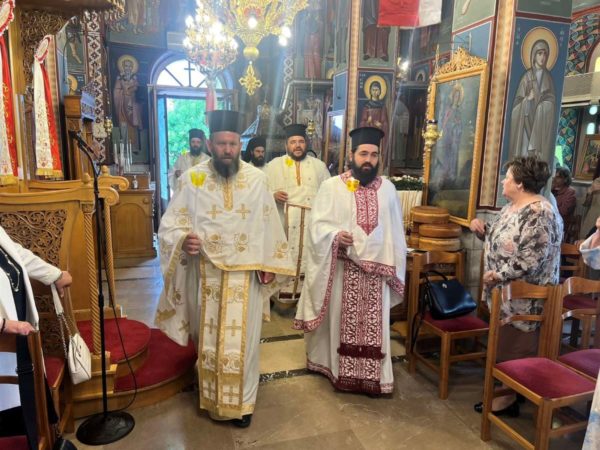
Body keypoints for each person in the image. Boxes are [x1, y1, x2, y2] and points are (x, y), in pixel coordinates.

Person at [155, 110, 294, 428]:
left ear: (239, 144)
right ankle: (211, 397)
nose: (228, 150)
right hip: (207, 275)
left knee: (245, 343)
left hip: (246, 277)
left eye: (233, 144)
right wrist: (183, 240)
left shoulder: (257, 180)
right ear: (210, 144)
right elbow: (170, 225)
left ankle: (243, 404)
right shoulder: (192, 179)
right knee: (208, 338)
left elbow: (269, 225)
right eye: (221, 144)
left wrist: (270, 264)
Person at [294, 127, 407, 395]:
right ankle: (337, 371)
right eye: (363, 154)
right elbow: (317, 226)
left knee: (374, 329)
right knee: (338, 324)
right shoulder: (332, 186)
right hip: (342, 270)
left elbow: (396, 232)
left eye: (374, 155)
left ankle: (374, 378)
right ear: (351, 155)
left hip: (377, 277)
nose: (368, 160)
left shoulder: (388, 189)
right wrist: (334, 236)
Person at [470, 156, 562, 416]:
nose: (503, 181)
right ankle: (508, 390)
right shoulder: (512, 207)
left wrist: (498, 275)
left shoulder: (540, 212)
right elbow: (505, 241)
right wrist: (482, 230)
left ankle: (508, 396)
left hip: (525, 296)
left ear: (520, 183)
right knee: (504, 343)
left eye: (508, 177)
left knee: (515, 346)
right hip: (505, 294)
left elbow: (531, 258)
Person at [0, 225, 72, 413]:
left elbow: (17, 254)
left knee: (27, 403)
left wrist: (54, 275)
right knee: (10, 408)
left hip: (19, 332)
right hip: (5, 336)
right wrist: (4, 325)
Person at [265, 124, 330, 304]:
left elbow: (329, 194)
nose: (297, 145)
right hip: (283, 223)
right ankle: (278, 301)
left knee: (308, 261)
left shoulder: (319, 166)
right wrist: (273, 195)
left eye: (301, 141)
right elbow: (261, 191)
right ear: (286, 145)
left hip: (311, 224)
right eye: (293, 142)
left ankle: (304, 304)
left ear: (306, 143)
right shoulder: (273, 165)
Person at [509, 39, 556, 163]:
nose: (542, 57)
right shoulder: (527, 77)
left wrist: (544, 106)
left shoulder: (548, 78)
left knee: (534, 161)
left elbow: (552, 101)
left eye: (545, 54)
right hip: (526, 123)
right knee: (524, 157)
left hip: (540, 127)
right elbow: (516, 105)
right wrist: (527, 99)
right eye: (539, 53)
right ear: (534, 55)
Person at [551, 166, 577, 241]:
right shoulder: (551, 190)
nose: (554, 179)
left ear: (565, 179)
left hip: (560, 225)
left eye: (558, 177)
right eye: (554, 176)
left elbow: (563, 211)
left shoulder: (570, 192)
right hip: (550, 221)